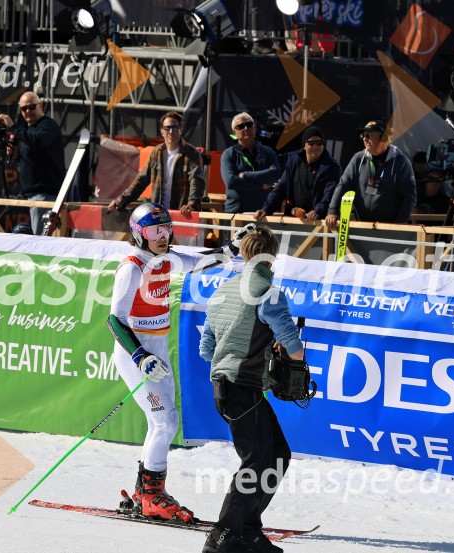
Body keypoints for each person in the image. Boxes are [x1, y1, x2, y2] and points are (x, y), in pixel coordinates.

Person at [108, 203, 241, 524]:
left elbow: (203, 262)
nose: (163, 236)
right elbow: (115, 320)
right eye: (155, 231)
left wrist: (235, 246)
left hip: (158, 353)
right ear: (139, 234)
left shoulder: (166, 259)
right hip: (136, 356)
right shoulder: (132, 267)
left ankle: (143, 492)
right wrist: (140, 356)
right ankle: (153, 496)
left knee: (163, 422)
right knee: (166, 422)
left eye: (167, 229)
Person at [199, 224, 303, 553]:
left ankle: (248, 529)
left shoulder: (223, 290)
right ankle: (223, 535)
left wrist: (252, 343)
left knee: (277, 455)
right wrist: (288, 352)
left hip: (228, 386)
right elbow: (293, 345)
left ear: (244, 253)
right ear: (272, 258)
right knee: (258, 460)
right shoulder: (266, 289)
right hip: (241, 387)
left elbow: (206, 349)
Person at [108, 112, 204, 217]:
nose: (171, 132)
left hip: (182, 214)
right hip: (158, 214)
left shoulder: (192, 153)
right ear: (162, 132)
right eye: (167, 128)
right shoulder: (156, 152)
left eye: (175, 128)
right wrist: (120, 201)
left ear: (180, 130)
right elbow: (141, 181)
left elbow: (196, 181)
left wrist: (192, 205)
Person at [0, 91, 66, 235]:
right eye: (23, 109)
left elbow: (38, 141)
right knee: (39, 236)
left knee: (41, 239)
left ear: (40, 106)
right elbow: (35, 154)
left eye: (31, 107)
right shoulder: (30, 130)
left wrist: (13, 127)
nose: (27, 111)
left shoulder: (47, 125)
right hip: (35, 194)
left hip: (45, 194)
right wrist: (16, 155)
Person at [325, 120, 416, 228]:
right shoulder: (358, 158)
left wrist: (401, 223)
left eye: (369, 135)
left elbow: (409, 195)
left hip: (391, 228)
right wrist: (333, 211)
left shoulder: (401, 162)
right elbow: (343, 185)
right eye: (363, 135)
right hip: (363, 226)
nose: (364, 138)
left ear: (384, 138)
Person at [254, 126, 341, 221]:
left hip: (319, 222)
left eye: (319, 143)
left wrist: (318, 211)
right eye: (311, 143)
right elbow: (280, 189)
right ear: (304, 145)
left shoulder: (332, 167)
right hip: (294, 221)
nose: (315, 146)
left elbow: (331, 194)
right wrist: (266, 209)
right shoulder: (293, 162)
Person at [221, 113, 281, 214]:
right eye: (240, 126)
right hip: (236, 213)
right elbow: (231, 182)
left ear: (254, 128)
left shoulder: (268, 152)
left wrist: (245, 175)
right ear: (234, 132)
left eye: (249, 125)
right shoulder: (228, 154)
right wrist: (261, 186)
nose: (245, 128)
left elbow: (275, 174)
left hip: (264, 213)